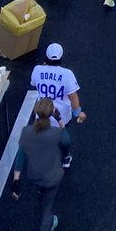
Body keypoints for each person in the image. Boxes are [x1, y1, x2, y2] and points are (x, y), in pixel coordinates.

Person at [11, 97, 70, 231]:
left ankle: (49, 219)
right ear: (51, 112)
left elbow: (20, 156)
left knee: (42, 200)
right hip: (52, 177)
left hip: (34, 177)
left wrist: (16, 181)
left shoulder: (26, 132)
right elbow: (66, 140)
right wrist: (60, 120)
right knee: (47, 209)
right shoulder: (54, 133)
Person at [30, 42, 85, 170]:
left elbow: (34, 84)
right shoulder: (67, 74)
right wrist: (78, 112)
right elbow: (73, 97)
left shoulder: (37, 70)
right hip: (61, 114)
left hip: (42, 111)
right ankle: (65, 156)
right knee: (62, 136)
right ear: (61, 57)